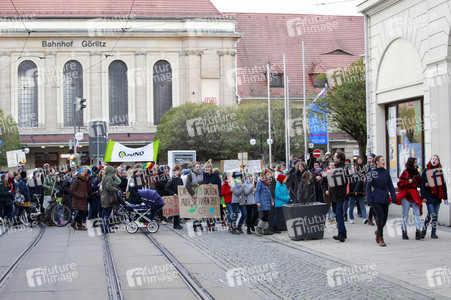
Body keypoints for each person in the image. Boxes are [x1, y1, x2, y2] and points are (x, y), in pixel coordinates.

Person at [366, 155, 397, 247]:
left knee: (384, 219)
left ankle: (377, 231)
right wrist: (369, 200)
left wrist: (394, 197)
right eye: (382, 160)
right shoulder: (372, 173)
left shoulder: (386, 172)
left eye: (384, 160)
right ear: (377, 162)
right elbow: (368, 188)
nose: (384, 161)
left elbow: (390, 186)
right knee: (380, 218)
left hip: (385, 197)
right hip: (376, 197)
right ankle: (381, 238)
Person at [420, 155, 448, 239]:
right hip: (429, 196)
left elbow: (443, 185)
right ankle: (424, 231)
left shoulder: (439, 172)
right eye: (433, 158)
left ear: (438, 162)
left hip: (437, 196)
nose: (434, 160)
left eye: (436, 159)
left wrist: (445, 197)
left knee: (434, 214)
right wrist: (423, 196)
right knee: (432, 214)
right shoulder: (426, 170)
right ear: (430, 160)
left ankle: (433, 233)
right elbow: (422, 184)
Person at [396, 157, 422, 240]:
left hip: (414, 195)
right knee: (405, 215)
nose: (416, 164)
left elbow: (419, 184)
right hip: (406, 195)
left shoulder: (417, 173)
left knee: (417, 213)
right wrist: (408, 181)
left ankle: (418, 231)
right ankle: (404, 231)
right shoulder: (405, 172)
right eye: (415, 162)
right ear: (411, 163)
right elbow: (399, 183)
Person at [328, 150, 348, 242]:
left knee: (339, 214)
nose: (334, 158)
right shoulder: (337, 168)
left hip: (339, 195)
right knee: (337, 214)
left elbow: (342, 182)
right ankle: (343, 232)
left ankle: (341, 234)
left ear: (339, 158)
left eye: (335, 157)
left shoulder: (343, 168)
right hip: (335, 195)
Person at [255, 168, 275, 235]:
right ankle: (259, 226)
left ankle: (266, 229)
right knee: (265, 215)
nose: (270, 175)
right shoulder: (260, 182)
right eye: (269, 174)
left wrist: (271, 200)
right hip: (262, 201)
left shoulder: (267, 182)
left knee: (267, 214)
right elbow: (257, 192)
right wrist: (258, 201)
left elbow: (269, 193)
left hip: (267, 201)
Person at [101, 166, 120, 233]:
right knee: (107, 214)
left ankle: (103, 228)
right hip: (107, 198)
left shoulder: (105, 177)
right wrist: (116, 189)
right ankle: (106, 228)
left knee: (104, 214)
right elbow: (108, 186)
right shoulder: (109, 178)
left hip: (104, 197)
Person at [165, 164, 184, 229]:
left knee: (178, 211)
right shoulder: (171, 179)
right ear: (174, 171)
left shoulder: (180, 179)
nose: (179, 172)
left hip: (179, 196)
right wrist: (173, 193)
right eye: (178, 170)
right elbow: (167, 188)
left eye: (180, 170)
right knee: (176, 211)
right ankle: (176, 224)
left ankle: (177, 223)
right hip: (174, 196)